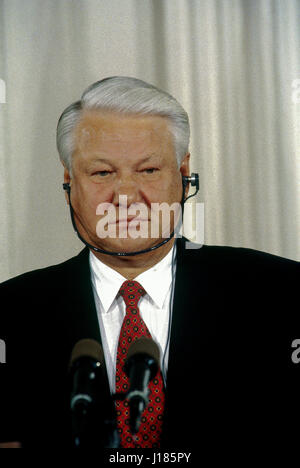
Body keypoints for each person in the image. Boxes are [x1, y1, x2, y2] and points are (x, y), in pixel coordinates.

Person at [0, 76, 298, 452]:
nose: (125, 196)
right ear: (68, 180)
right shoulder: (8, 313)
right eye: (102, 173)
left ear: (183, 174)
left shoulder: (284, 294)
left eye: (149, 170)